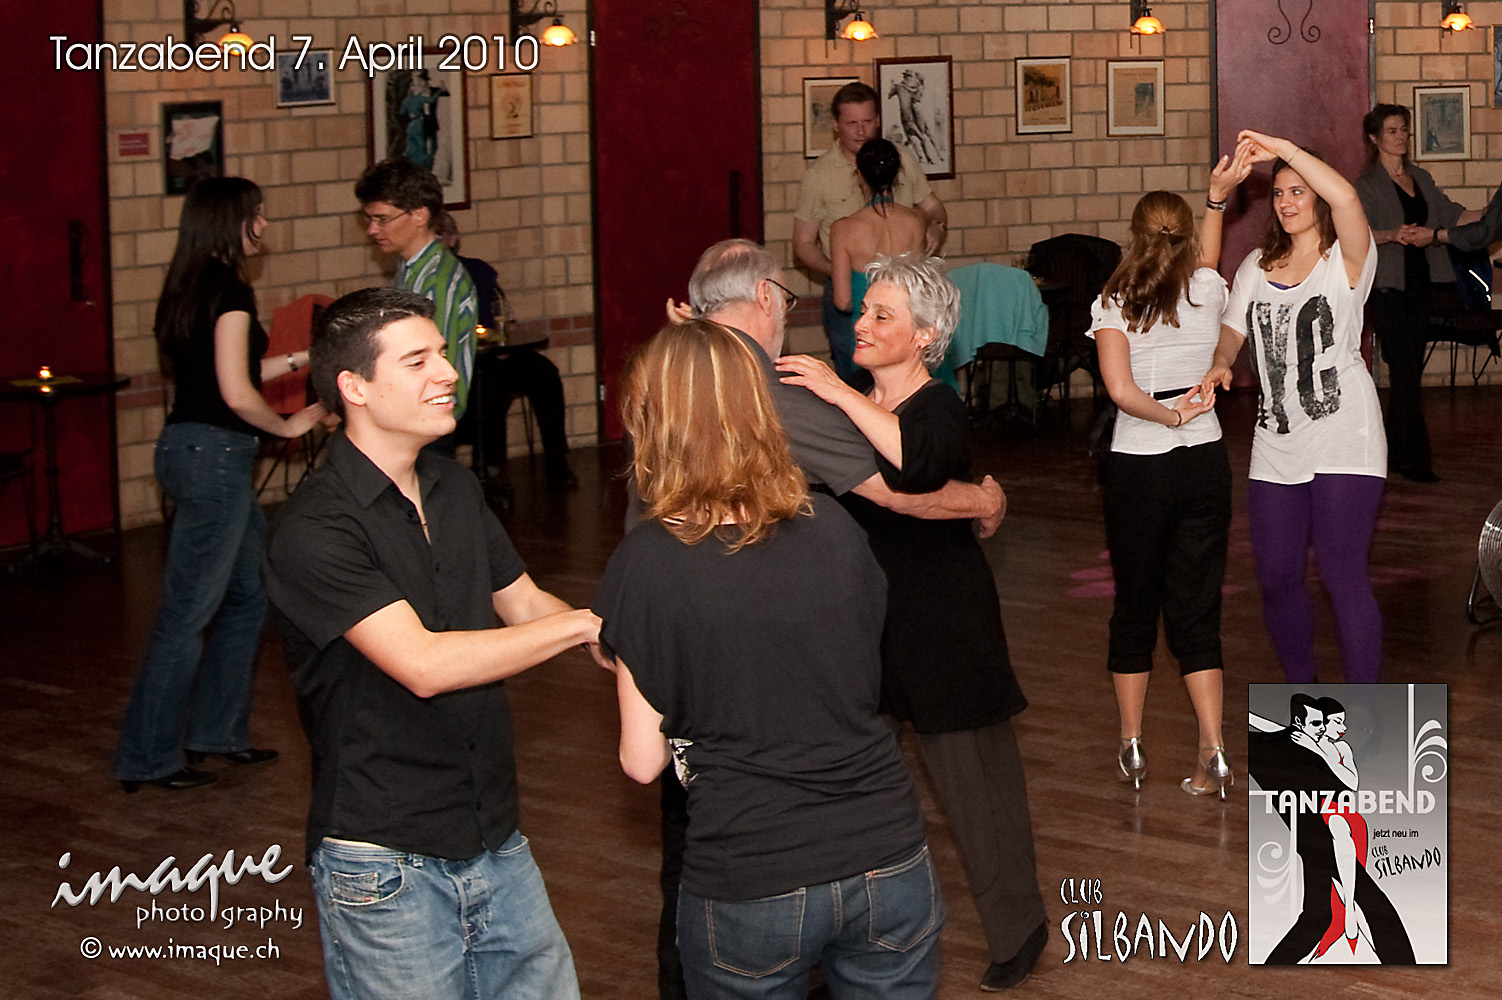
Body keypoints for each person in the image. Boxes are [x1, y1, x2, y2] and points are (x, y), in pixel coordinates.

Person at [264, 288, 596, 1000]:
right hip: (385, 862)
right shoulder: (316, 529)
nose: (447, 372)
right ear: (354, 387)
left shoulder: (452, 486)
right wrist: (579, 626)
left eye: (442, 354)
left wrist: (620, 637)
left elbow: (524, 602)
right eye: (417, 361)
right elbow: (423, 664)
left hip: (495, 840)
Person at [595, 319, 943, 1000]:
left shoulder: (648, 562)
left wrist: (636, 657)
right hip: (888, 854)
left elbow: (642, 760)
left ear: (653, 422)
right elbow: (844, 674)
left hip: (753, 874)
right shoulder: (835, 527)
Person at [776, 254, 1047, 991]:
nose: (861, 324)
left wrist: (838, 391)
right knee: (845, 792)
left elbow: (918, 469)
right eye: (864, 310)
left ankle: (1019, 928)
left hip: (941, 624)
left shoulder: (938, 407)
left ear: (925, 336)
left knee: (978, 789)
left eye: (881, 315)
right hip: (860, 624)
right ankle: (832, 944)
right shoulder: (843, 407)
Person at [112, 177, 326, 793]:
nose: (264, 225)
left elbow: (229, 371)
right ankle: (147, 758)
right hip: (214, 456)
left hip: (189, 450)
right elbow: (236, 393)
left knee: (248, 595)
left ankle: (216, 732)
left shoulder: (188, 283)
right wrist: (286, 425)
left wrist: (302, 359)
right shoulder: (230, 289)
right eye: (259, 214)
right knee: (188, 612)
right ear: (236, 220)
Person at [1086, 144, 1253, 800]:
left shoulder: (1113, 300)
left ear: (1134, 235)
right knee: (1197, 609)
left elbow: (1121, 392)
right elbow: (1205, 260)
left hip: (1140, 468)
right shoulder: (1207, 289)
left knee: (1135, 606)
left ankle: (1131, 744)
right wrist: (1216, 200)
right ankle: (1213, 749)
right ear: (1185, 237)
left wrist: (1168, 415)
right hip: (1205, 464)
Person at [1209, 130, 1385, 684]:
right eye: (1280, 193)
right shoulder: (1256, 265)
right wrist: (1220, 363)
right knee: (1277, 578)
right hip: (1276, 440)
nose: (1286, 202)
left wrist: (1285, 150)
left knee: (1342, 573)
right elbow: (1232, 329)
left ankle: (1366, 713)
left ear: (1318, 198)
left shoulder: (1347, 259)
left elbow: (1348, 198)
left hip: (1345, 435)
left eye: (1298, 191)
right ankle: (1305, 706)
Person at [1353, 103, 1481, 483]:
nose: (1401, 137)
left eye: (1404, 130)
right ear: (1375, 137)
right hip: (1388, 287)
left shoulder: (1420, 177)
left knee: (1408, 372)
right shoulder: (1367, 185)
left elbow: (1452, 213)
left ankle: (1393, 451)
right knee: (1405, 369)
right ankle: (1415, 460)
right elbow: (1357, 233)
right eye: (1392, 131)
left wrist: (1491, 215)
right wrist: (1392, 235)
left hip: (1420, 285)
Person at [794, 82, 948, 386]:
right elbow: (802, 243)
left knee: (909, 377)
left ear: (878, 120)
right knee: (854, 381)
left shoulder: (901, 159)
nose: (861, 131)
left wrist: (935, 227)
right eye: (852, 124)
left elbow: (934, 208)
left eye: (867, 122)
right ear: (836, 125)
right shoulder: (819, 175)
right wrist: (840, 271)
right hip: (850, 289)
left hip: (903, 294)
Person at [1248, 695, 1413, 964]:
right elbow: (1271, 730)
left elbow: (1351, 783)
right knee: (1351, 905)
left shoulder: (1331, 749)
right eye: (1322, 723)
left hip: (1335, 829)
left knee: (1326, 912)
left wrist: (1318, 751)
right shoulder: (1291, 743)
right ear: (1300, 724)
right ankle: (1404, 964)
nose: (1328, 728)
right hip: (1321, 834)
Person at [434, 214, 576, 486]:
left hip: (493, 352)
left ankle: (557, 460)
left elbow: (499, 314)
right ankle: (489, 465)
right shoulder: (432, 281)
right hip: (458, 361)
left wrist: (500, 332)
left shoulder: (478, 271)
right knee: (492, 384)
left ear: (453, 238)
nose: (439, 241)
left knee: (543, 371)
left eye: (444, 234)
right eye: (434, 235)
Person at [354, 159, 478, 430]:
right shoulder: (409, 266)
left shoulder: (438, 280)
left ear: (420, 216)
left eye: (382, 219)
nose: (372, 229)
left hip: (427, 420)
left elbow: (427, 366)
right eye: (369, 219)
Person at [829, 137, 929, 317]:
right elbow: (921, 289)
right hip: (904, 324)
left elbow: (843, 301)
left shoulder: (843, 229)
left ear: (859, 175)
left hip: (866, 325)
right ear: (897, 175)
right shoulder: (916, 220)